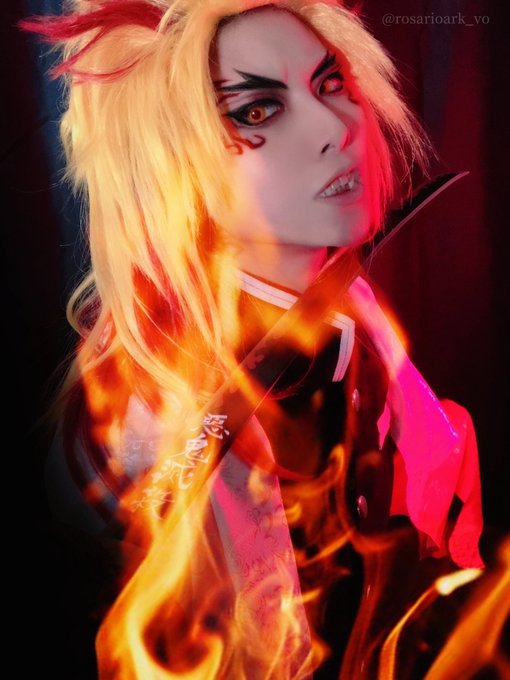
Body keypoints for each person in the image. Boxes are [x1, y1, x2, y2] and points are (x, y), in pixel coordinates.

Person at [23, 1, 484, 678]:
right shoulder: (146, 410)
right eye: (258, 111)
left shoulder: (352, 307)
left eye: (331, 83)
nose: (337, 126)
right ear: (174, 165)